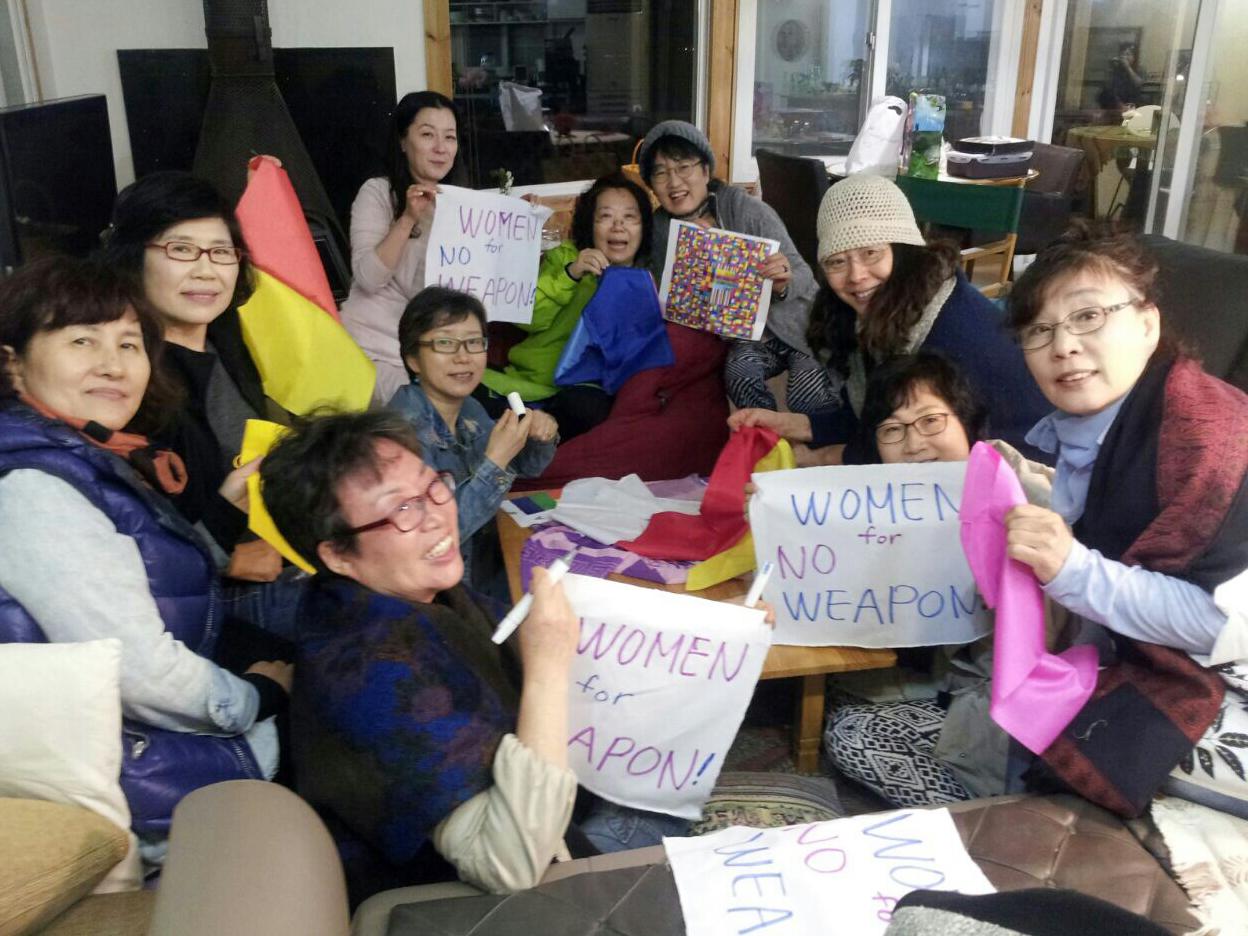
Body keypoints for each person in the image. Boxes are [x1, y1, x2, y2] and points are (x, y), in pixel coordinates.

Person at [258, 411, 688, 904]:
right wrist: (547, 668)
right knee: (673, 802)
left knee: (671, 763)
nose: (437, 515)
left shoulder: (408, 597)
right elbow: (509, 867)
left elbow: (542, 644)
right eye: (402, 509)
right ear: (338, 554)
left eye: (433, 486)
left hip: (545, 820)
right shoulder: (369, 668)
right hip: (467, 900)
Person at [0, 256, 291, 849]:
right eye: (82, 340)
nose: (113, 365)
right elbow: (141, 673)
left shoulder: (89, 456)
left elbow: (139, 579)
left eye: (129, 344)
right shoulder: (33, 486)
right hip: (140, 789)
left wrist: (225, 510)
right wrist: (257, 697)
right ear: (14, 364)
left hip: (150, 753)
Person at [1002, 226, 1248, 807]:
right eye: (1039, 330)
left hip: (1227, 680)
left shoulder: (1211, 442)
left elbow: (1222, 627)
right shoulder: (1098, 429)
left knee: (1047, 745)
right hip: (1135, 652)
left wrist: (1071, 570)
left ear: (1147, 324)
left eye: (1088, 316)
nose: (1063, 345)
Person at [820, 353, 1054, 807]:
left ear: (966, 422)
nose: (913, 444)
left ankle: (988, 816)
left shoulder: (1030, 499)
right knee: (838, 694)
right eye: (892, 430)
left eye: (930, 421)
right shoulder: (900, 505)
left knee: (850, 735)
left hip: (1028, 712)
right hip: (956, 682)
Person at [730, 173, 1050, 465]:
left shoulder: (948, 331)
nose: (856, 275)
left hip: (1019, 475)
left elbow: (908, 447)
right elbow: (872, 416)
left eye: (871, 253)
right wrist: (789, 424)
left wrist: (818, 458)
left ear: (903, 250)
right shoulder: (887, 312)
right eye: (837, 262)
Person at [101, 170, 280, 560]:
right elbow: (140, 550)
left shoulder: (227, 338)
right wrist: (230, 556)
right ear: (134, 258)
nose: (206, 270)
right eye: (181, 249)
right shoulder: (118, 378)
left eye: (221, 251)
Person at [636, 120, 841, 416]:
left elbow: (802, 273)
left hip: (799, 327)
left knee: (806, 396)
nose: (674, 182)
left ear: (705, 171)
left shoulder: (746, 209)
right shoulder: (660, 229)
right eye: (660, 173)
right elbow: (654, 287)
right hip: (747, 339)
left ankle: (826, 435)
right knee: (740, 377)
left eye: (684, 167)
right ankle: (765, 436)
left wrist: (783, 283)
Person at [389, 287, 558, 598]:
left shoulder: (469, 408)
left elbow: (528, 466)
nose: (463, 356)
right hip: (442, 595)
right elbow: (435, 537)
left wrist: (540, 434)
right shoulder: (402, 434)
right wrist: (495, 462)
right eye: (445, 343)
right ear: (413, 359)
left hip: (484, 565)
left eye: (473, 342)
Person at [480, 172, 653, 439]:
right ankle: (530, 426)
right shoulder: (565, 258)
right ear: (590, 224)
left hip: (586, 390)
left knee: (587, 408)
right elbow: (528, 318)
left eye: (630, 217)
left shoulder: (648, 279)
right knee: (468, 395)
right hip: (531, 381)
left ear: (643, 227)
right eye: (605, 216)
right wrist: (570, 274)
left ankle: (539, 429)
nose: (618, 226)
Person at [341, 91, 463, 405]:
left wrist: (517, 224)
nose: (441, 147)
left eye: (449, 137)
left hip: (436, 351)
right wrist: (408, 218)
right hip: (377, 348)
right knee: (420, 415)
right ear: (403, 142)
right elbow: (368, 278)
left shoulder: (461, 206)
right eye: (427, 135)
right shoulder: (377, 192)